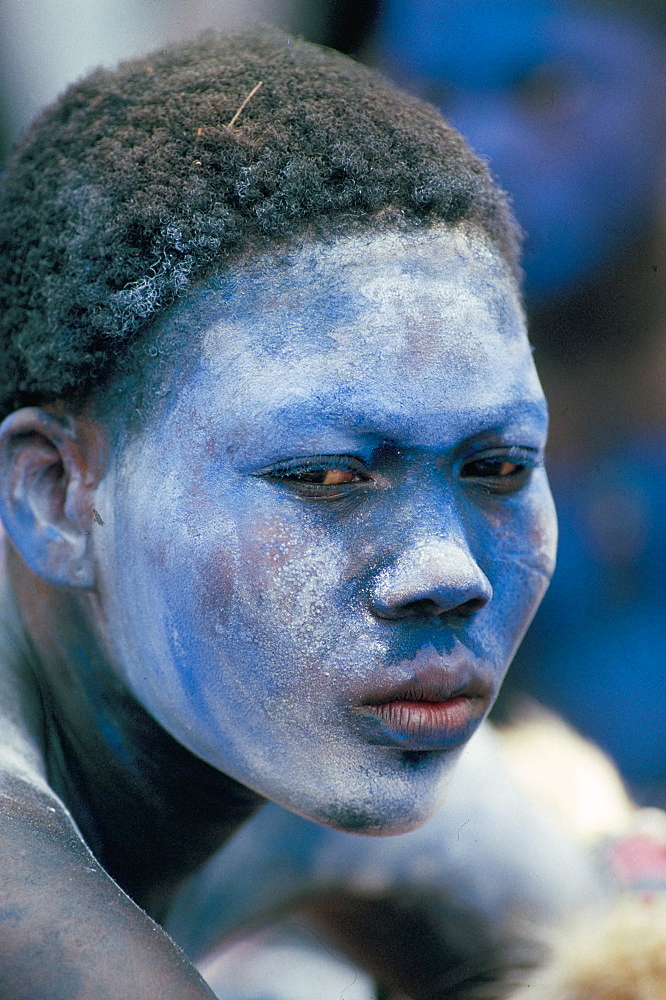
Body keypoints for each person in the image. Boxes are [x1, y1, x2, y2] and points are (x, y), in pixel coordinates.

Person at [0, 26, 560, 997]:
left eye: (499, 465)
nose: (448, 570)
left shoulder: (319, 750)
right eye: (329, 478)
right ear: (57, 494)